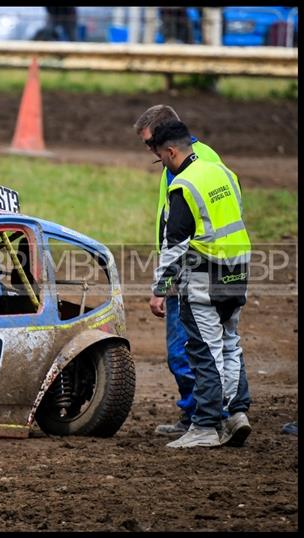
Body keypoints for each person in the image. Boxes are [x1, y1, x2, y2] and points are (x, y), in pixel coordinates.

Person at [147, 120, 252, 449]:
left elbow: (174, 246)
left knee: (204, 351)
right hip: (239, 272)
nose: (162, 164)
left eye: (160, 157)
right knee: (230, 345)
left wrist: (159, 289)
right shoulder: (224, 173)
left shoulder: (183, 185)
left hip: (205, 277)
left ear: (171, 151)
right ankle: (235, 414)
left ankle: (206, 425)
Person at [133, 104, 225, 437]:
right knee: (211, 345)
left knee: (187, 349)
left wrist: (165, 282)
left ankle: (203, 415)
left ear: (166, 139)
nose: (151, 153)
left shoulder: (190, 163)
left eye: (150, 144)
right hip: (202, 267)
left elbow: (186, 228)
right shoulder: (192, 157)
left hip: (193, 269)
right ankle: (214, 411)